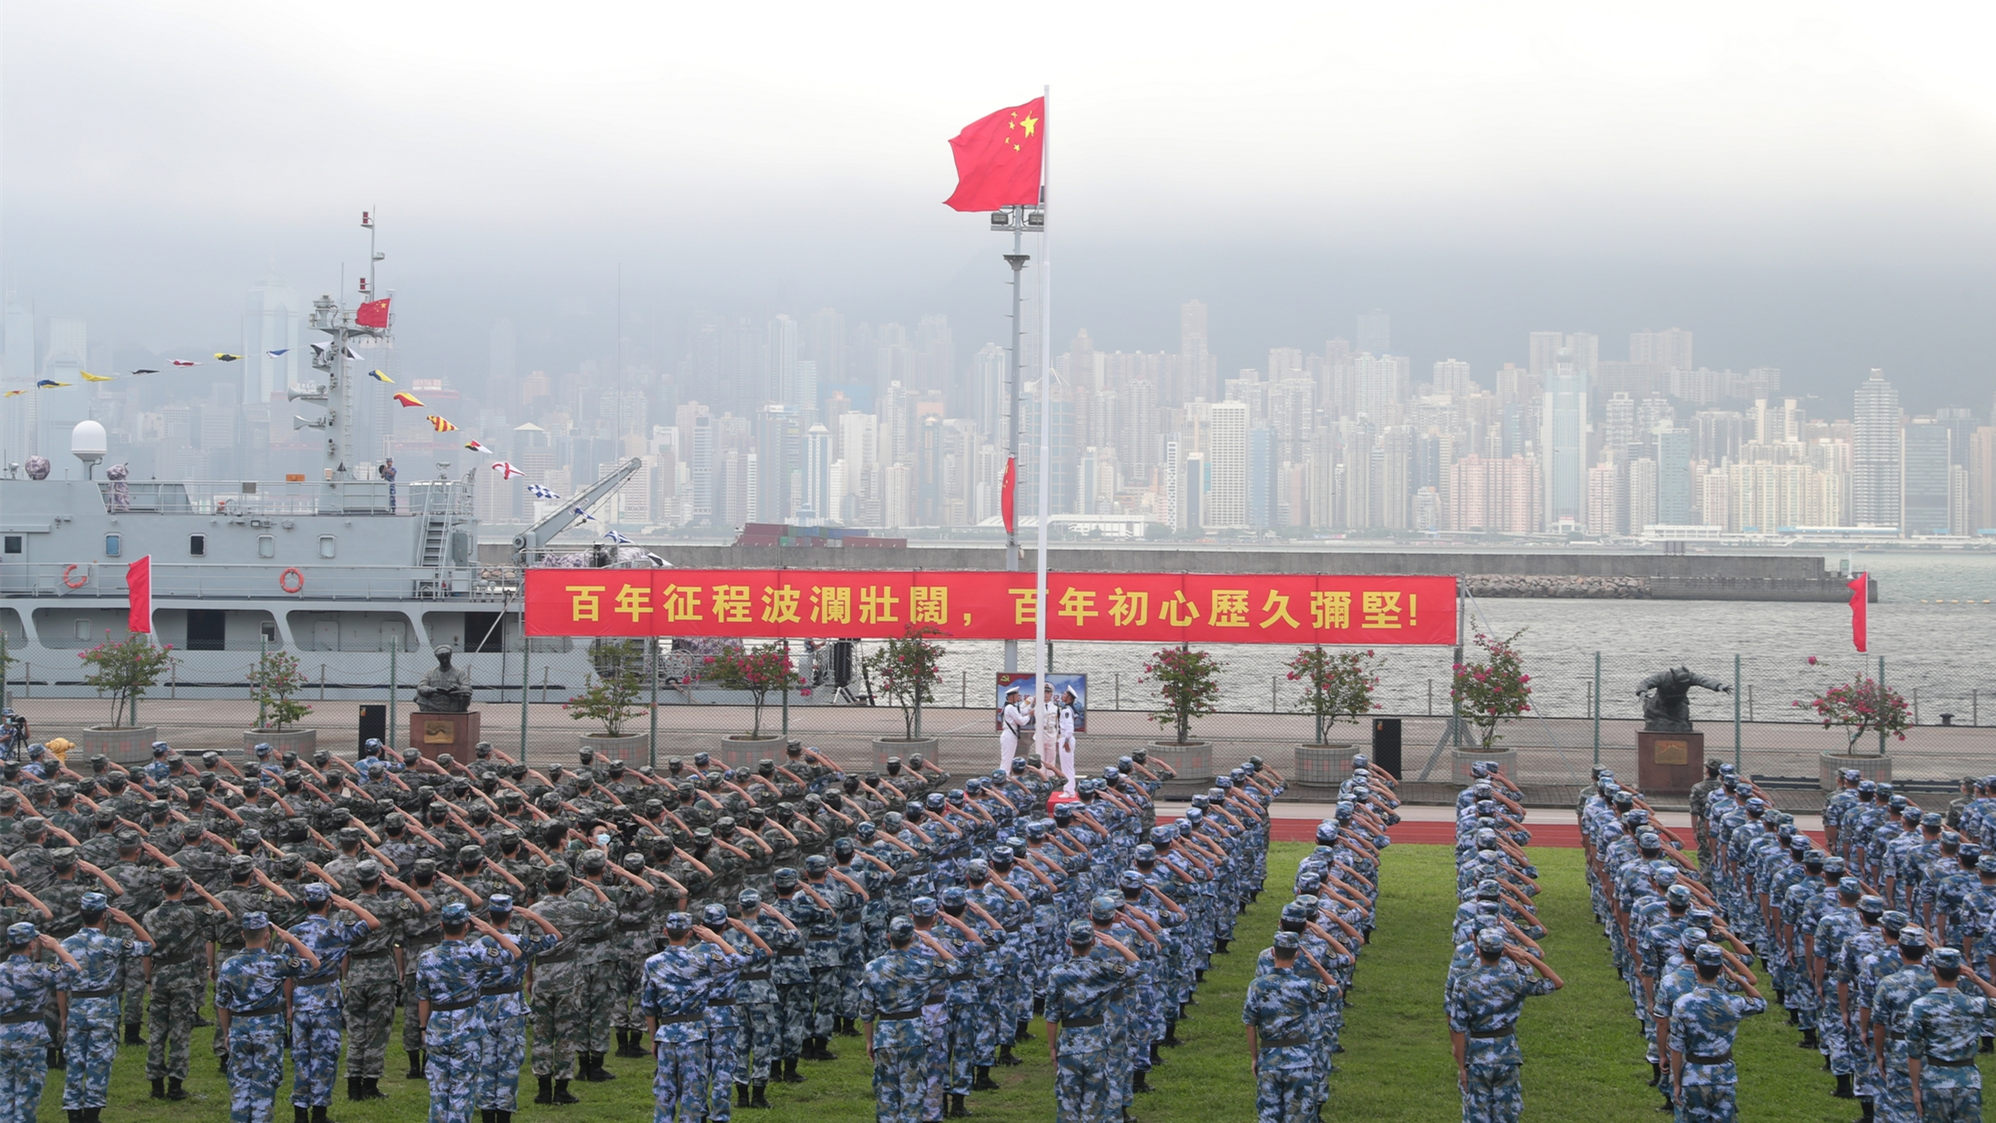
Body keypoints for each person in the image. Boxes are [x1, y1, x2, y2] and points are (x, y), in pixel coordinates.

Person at [416, 901, 519, 1123]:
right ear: (467, 927)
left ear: (442, 925)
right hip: (467, 1026)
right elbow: (514, 952)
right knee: (462, 1089)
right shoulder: (475, 956)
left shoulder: (427, 958)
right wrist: (490, 930)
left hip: (437, 1024)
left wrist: (423, 1028)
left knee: (438, 1091)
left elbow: (423, 997)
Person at [1446, 927, 1564, 1123]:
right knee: (1506, 1115)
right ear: (1502, 951)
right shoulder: (1515, 980)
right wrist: (1527, 956)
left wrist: (1461, 1067)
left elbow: (1457, 1028)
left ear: (1478, 950)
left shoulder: (1464, 983)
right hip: (1507, 1054)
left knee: (1477, 1114)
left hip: (1476, 1055)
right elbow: (1556, 982)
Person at [215, 912, 320, 1123]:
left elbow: (222, 1003)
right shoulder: (276, 962)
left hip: (240, 1028)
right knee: (263, 1087)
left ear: (243, 934)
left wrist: (227, 1033)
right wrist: (290, 938)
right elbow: (313, 962)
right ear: (267, 936)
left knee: (239, 1086)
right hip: (268, 1030)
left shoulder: (229, 965)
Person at [288, 883, 379, 1123]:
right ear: (329, 903)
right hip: (325, 1001)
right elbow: (373, 923)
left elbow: (288, 973)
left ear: (305, 904)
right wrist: (348, 904)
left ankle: (299, 1112)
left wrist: (288, 1006)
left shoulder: (293, 932)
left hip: (300, 998)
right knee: (324, 1057)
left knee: (301, 1056)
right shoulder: (335, 931)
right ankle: (319, 1113)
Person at [59, 891, 153, 1123]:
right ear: (105, 915)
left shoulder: (66, 945)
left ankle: (73, 1114)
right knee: (99, 1062)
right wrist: (130, 920)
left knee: (75, 1061)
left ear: (81, 914)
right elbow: (149, 946)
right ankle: (92, 1115)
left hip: (77, 1005)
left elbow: (60, 985)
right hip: (103, 1009)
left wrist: (64, 1017)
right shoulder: (111, 944)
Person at [861, 915, 950, 1123]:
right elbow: (955, 966)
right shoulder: (923, 966)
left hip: (885, 1035)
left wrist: (869, 1041)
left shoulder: (872, 968)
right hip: (914, 1034)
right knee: (913, 1094)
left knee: (886, 1095)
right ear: (912, 939)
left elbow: (866, 1010)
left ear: (888, 936)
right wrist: (933, 944)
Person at [1242, 929, 1336, 1123]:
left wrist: (1254, 1057)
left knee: (1268, 1116)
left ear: (1274, 953)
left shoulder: (1257, 986)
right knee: (1299, 1116)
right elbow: (1336, 991)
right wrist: (1317, 965)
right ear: (1297, 954)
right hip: (1299, 1060)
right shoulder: (1304, 986)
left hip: (1269, 1058)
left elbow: (1249, 1024)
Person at [1048, 919, 1137, 1123]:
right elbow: (1138, 967)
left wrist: (1052, 1047)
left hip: (1069, 1043)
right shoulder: (1103, 971)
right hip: (1096, 1042)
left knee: (1068, 1105)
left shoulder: (1057, 973)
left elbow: (1051, 1015)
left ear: (1069, 942)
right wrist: (1117, 945)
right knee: (1095, 1104)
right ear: (1093, 943)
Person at [1667, 942, 1766, 1123]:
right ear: (1721, 970)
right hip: (1724, 1076)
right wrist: (1737, 979)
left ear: (1696, 969)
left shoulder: (1682, 1004)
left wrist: (1676, 1083)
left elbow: (1675, 1047)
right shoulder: (1732, 1003)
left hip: (1694, 1076)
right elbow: (1760, 1003)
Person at [1904, 947, 1994, 1123]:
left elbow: (1913, 1053)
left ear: (1934, 970)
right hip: (1967, 1081)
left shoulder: (1920, 1007)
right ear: (1959, 972)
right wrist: (1975, 977)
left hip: (1934, 1081)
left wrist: (1915, 1088)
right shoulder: (1973, 1004)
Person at [0, 923, 78, 1120]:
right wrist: (57, 947)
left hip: (2, 1037)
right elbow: (74, 968)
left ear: (9, 943)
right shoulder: (39, 971)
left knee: (4, 1094)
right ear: (32, 945)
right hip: (31, 1039)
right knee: (27, 1096)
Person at [998, 687, 1027, 774]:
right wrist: (1029, 715)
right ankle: (1002, 780)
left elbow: (1022, 710)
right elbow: (1021, 721)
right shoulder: (1010, 708)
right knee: (1006, 761)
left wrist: (1030, 704)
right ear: (1012, 697)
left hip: (1010, 735)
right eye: (1017, 696)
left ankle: (1004, 778)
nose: (1019, 698)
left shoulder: (1010, 706)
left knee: (1007, 760)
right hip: (1009, 735)